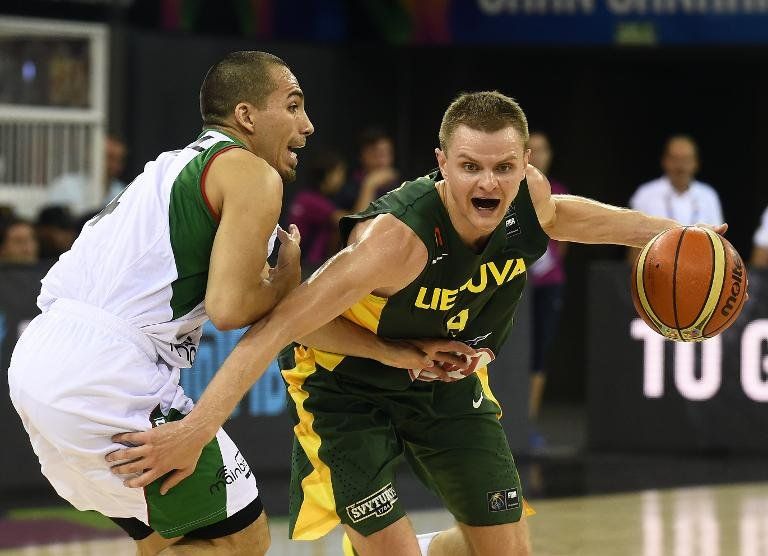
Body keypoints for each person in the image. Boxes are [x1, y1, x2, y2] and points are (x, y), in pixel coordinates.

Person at [109, 91, 726, 556]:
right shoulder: (393, 243)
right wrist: (196, 430)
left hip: (445, 380)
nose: (488, 182)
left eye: (504, 168)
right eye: (470, 166)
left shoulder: (528, 199)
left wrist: (672, 233)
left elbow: (560, 215)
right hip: (347, 389)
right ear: (442, 165)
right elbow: (276, 328)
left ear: (524, 166)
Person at [9, 50, 464, 556]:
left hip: (39, 361)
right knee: (243, 539)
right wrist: (286, 280)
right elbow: (231, 310)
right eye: (293, 105)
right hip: (107, 372)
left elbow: (289, 323)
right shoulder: (250, 172)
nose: (308, 125)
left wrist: (395, 353)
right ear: (246, 115)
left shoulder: (168, 168)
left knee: (171, 535)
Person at [526, 132, 568, 449]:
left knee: (539, 351)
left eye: (543, 149)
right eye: (533, 149)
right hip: (512, 284)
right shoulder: (508, 190)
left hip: (547, 284)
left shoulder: (560, 192)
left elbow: (564, 242)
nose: (538, 155)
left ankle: (528, 422)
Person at [627, 135, 723, 261]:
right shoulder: (645, 194)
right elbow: (633, 244)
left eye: (686, 160)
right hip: (656, 266)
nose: (680, 166)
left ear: (696, 163)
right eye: (675, 159)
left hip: (700, 265)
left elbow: (719, 243)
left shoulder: (708, 196)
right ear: (664, 161)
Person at [288, 149, 385, 273]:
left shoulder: (306, 197)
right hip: (307, 268)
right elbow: (355, 220)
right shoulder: (310, 201)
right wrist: (370, 184)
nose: (342, 178)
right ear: (328, 175)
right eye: (339, 173)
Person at [47, 135, 128, 215]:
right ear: (91, 156)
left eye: (119, 159)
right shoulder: (66, 187)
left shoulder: (123, 192)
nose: (115, 165)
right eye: (109, 157)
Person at [334, 127, 399, 211]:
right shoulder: (348, 188)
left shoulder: (400, 184)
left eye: (387, 153)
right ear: (361, 155)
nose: (382, 161)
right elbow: (359, 218)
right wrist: (370, 185)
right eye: (376, 154)